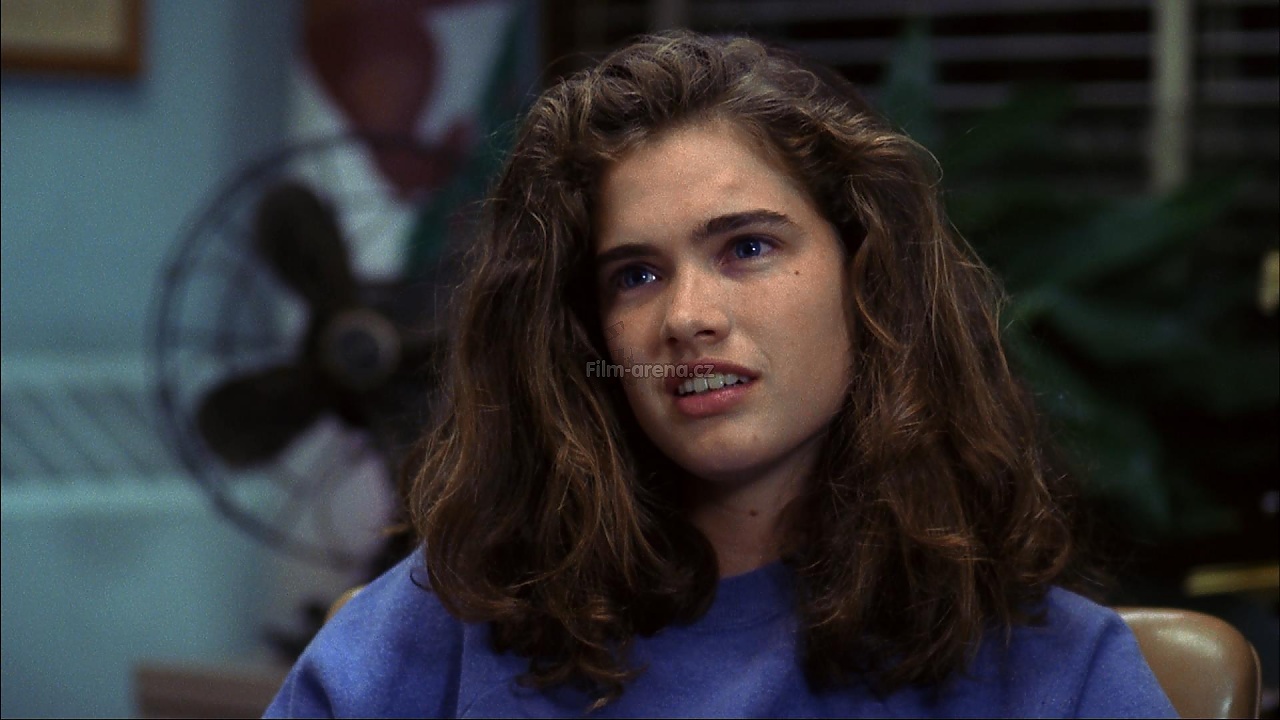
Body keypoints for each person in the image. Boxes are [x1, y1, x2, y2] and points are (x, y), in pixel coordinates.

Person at [264, 30, 1177, 718]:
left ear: (866, 276)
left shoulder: (1056, 670)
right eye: (636, 275)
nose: (687, 316)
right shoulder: (441, 628)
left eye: (747, 247)